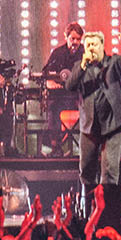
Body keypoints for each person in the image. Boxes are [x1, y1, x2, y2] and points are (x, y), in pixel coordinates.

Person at [63, 28, 121, 223]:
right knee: (86, 171)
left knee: (109, 172)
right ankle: (88, 215)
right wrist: (82, 66)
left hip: (112, 126)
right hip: (89, 127)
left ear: (102, 46)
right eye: (88, 45)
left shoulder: (113, 62)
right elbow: (69, 86)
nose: (91, 48)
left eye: (94, 44)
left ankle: (108, 217)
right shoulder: (80, 66)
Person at [39, 22, 85, 154]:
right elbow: (45, 73)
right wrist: (50, 82)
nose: (75, 42)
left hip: (80, 95)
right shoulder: (58, 53)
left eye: (78, 39)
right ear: (66, 37)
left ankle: (92, 148)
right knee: (53, 108)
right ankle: (55, 147)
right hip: (61, 96)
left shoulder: (85, 53)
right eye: (72, 38)